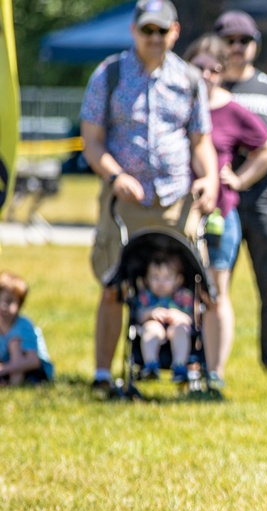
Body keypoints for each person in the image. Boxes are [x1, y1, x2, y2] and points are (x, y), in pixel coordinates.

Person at [80, 0, 218, 398]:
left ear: (175, 32)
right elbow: (92, 143)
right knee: (112, 285)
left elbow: (200, 141)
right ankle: (104, 375)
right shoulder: (108, 75)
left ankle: (199, 372)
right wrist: (116, 175)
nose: (155, 38)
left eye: (162, 31)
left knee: (196, 286)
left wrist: (209, 177)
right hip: (124, 200)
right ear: (134, 31)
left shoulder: (189, 78)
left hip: (176, 199)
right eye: (147, 30)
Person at [184, 35, 267, 392]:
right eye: (200, 67)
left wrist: (239, 179)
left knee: (215, 291)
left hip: (219, 214)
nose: (207, 75)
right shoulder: (173, 102)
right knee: (179, 290)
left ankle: (215, 372)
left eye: (214, 69)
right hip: (175, 213)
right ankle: (184, 364)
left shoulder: (231, 108)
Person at [213, 10, 267, 375]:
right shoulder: (210, 88)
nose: (236, 47)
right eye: (229, 40)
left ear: (255, 45)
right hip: (219, 201)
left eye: (244, 40)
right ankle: (206, 357)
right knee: (213, 283)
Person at [135, 252, 195, 383]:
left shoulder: (183, 296)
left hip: (176, 328)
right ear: (146, 279)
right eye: (155, 277)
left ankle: (179, 365)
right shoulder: (146, 296)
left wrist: (179, 316)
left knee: (181, 329)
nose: (160, 282)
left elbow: (192, 318)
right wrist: (150, 314)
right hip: (155, 326)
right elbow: (138, 316)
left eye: (167, 278)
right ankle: (151, 364)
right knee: (150, 328)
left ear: (178, 280)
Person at [0, 271, 53, 386]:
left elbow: (33, 361)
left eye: (9, 301)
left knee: (14, 342)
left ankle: (14, 383)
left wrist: (4, 368)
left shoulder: (24, 326)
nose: (2, 305)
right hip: (9, 364)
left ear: (20, 305)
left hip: (35, 370)